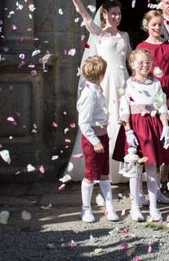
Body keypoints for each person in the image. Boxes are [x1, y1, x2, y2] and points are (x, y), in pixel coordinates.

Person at [66, 0, 131, 183]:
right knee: (105, 120)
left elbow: (130, 58)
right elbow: (85, 15)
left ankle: (122, 167)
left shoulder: (125, 35)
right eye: (113, 14)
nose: (116, 17)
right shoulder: (99, 34)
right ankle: (101, 167)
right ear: (104, 15)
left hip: (123, 82)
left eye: (119, 14)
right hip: (105, 82)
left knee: (123, 120)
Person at [114, 49, 169, 222]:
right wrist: (128, 130)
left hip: (152, 126)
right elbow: (124, 108)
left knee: (152, 168)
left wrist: (166, 127)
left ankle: (153, 206)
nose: (145, 65)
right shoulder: (128, 84)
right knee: (134, 169)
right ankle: (135, 207)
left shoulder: (156, 84)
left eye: (148, 62)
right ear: (132, 64)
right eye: (141, 62)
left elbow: (161, 107)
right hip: (136, 127)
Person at [137, 9, 169, 190]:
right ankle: (151, 178)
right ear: (146, 25)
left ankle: (164, 178)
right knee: (151, 135)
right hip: (149, 95)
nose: (157, 27)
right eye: (154, 24)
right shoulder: (141, 46)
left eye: (159, 24)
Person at [76, 55, 119, 223]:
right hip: (94, 140)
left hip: (103, 136)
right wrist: (95, 142)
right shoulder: (89, 94)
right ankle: (85, 208)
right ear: (101, 74)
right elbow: (84, 123)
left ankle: (109, 207)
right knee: (90, 175)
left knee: (104, 173)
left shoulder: (97, 89)